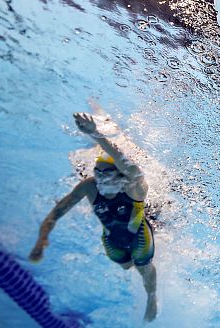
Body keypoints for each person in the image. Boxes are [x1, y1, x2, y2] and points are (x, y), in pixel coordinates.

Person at [29, 112, 158, 322]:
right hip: (112, 239)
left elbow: (129, 167)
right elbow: (57, 212)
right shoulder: (89, 187)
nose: (100, 179)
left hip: (138, 235)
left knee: (143, 268)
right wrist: (41, 239)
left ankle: (152, 297)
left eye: (106, 174)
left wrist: (96, 134)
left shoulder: (134, 186)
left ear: (120, 175)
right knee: (126, 267)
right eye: (98, 173)